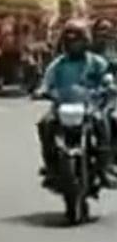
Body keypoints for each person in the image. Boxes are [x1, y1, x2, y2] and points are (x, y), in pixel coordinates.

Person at [36, 20, 114, 186]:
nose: (74, 45)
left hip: (89, 106)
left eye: (77, 41)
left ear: (85, 41)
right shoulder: (57, 64)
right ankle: (51, 166)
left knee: (103, 122)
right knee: (45, 124)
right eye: (70, 42)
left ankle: (104, 165)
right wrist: (42, 90)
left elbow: (107, 79)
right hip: (62, 107)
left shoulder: (96, 62)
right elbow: (46, 82)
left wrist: (109, 86)